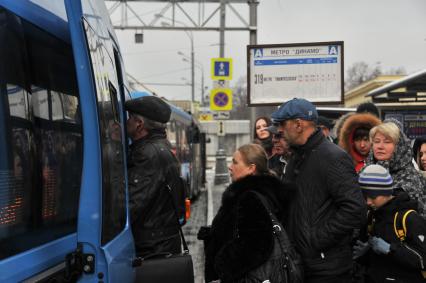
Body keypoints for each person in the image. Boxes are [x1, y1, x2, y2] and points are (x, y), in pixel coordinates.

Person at [271, 98, 366, 283]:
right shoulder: (296, 159)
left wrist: (316, 240)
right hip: (302, 265)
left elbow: (355, 210)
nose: (279, 130)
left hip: (327, 269)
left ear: (298, 124)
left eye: (282, 124)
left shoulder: (333, 158)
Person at [198, 143, 293, 283]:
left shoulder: (249, 197)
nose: (230, 166)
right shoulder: (262, 191)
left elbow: (257, 244)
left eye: (235, 162)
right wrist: (214, 233)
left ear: (251, 168)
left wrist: (223, 266)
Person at [125, 95, 183, 257]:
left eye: (129, 118)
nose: (125, 122)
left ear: (139, 125)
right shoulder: (162, 147)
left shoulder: (147, 154)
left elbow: (132, 206)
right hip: (162, 245)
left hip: (152, 249)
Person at [354, 164, 426, 283]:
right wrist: (368, 252)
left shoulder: (409, 218)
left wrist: (390, 249)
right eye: (365, 196)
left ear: (386, 192)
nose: (368, 202)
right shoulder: (372, 215)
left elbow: (422, 259)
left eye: (373, 197)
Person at [366, 121, 426, 217]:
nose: (380, 146)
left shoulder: (411, 179)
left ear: (399, 147)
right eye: (376, 141)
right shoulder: (366, 172)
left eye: (387, 142)